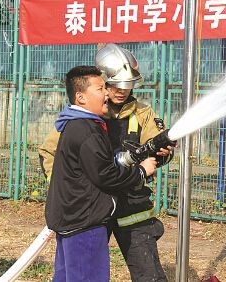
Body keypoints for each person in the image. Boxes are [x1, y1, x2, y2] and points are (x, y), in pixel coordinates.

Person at [39, 44, 174, 281]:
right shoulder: (84, 116)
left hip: (132, 208)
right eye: (113, 85)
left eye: (128, 84)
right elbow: (50, 155)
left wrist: (162, 153)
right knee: (84, 270)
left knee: (149, 274)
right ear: (102, 83)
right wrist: (71, 191)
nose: (122, 91)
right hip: (94, 209)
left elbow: (156, 153)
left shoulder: (142, 113)